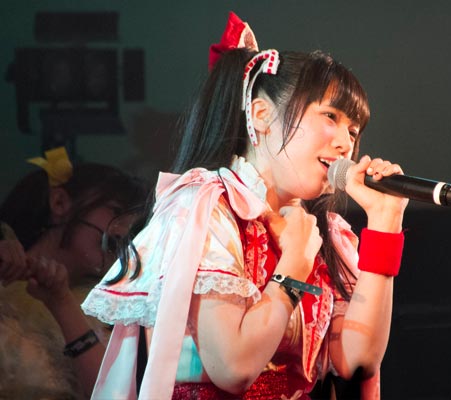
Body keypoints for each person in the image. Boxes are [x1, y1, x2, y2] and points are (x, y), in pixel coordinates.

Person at [82, 11, 409, 400]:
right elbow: (232, 367)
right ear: (261, 115)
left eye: (353, 131)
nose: (345, 143)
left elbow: (357, 360)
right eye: (330, 116)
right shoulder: (205, 207)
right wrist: (294, 266)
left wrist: (385, 222)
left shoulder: (325, 234)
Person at [0, 147, 149, 399]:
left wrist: (62, 303)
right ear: (59, 202)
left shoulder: (102, 312)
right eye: (115, 212)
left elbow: (111, 395)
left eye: (131, 228)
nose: (122, 233)